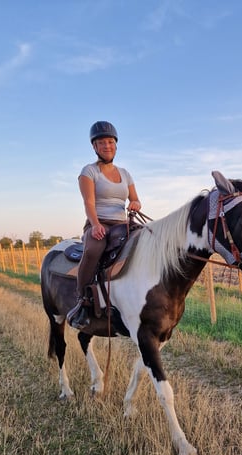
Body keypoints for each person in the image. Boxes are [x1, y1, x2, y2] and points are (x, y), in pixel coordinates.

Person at [66, 121, 142, 328]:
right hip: (99, 223)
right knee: (94, 249)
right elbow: (88, 202)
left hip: (122, 224)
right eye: (101, 143)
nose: (107, 146)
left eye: (110, 142)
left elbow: (135, 199)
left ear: (116, 145)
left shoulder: (125, 174)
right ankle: (82, 300)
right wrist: (95, 224)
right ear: (94, 147)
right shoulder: (88, 171)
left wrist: (135, 203)